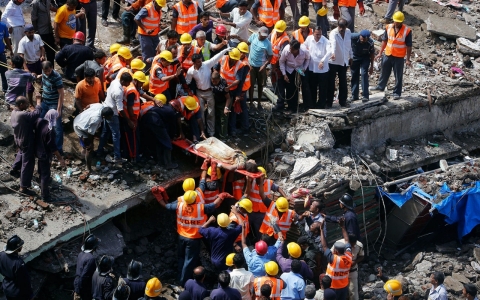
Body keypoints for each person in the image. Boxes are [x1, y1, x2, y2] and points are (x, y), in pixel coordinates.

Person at [157, 190, 231, 285]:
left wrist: (158, 196)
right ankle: (183, 282)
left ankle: (180, 276)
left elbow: (166, 206)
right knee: (189, 261)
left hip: (181, 237)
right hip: (193, 239)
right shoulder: (200, 208)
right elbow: (214, 205)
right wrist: (222, 196)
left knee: (181, 257)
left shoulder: (179, 205)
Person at [186, 48, 230, 137]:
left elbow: (216, 58)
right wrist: (188, 92)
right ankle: (203, 131)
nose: (200, 63)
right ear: (194, 63)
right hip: (199, 93)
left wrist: (226, 49)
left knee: (211, 113)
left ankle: (211, 133)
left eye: (201, 61)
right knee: (201, 113)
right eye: (198, 62)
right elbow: (187, 82)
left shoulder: (206, 65)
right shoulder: (190, 71)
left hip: (209, 93)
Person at [371, 11, 412, 101]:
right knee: (384, 72)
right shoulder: (388, 27)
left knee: (398, 75)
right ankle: (380, 86)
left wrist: (408, 59)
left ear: (401, 21)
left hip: (399, 57)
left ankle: (397, 92)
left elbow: (409, 46)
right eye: (395, 21)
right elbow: (384, 41)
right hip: (388, 54)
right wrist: (380, 53)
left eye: (398, 21)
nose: (396, 23)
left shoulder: (407, 31)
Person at [97, 73, 133, 164]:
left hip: (105, 108)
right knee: (116, 135)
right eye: (128, 83)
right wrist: (128, 120)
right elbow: (120, 109)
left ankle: (99, 151)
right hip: (112, 114)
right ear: (123, 81)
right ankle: (117, 157)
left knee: (105, 132)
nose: (129, 85)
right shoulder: (119, 92)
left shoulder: (115, 81)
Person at [10, 96, 42, 195]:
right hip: (26, 141)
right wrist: (38, 102)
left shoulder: (14, 112)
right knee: (27, 163)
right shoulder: (22, 115)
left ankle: (14, 169)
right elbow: (37, 113)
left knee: (21, 152)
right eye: (26, 103)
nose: (28, 105)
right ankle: (23, 187)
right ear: (21, 105)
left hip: (18, 139)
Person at [214, 48, 248, 137]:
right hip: (220, 88)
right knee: (218, 109)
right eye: (232, 59)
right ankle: (218, 130)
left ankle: (230, 130)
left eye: (235, 60)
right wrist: (217, 81)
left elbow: (238, 80)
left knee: (231, 111)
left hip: (231, 90)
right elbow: (215, 69)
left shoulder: (240, 65)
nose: (233, 61)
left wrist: (229, 88)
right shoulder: (223, 58)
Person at [139, 95, 179, 169]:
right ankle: (168, 164)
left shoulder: (162, 108)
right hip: (155, 121)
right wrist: (172, 137)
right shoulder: (171, 112)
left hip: (145, 120)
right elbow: (173, 126)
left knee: (158, 141)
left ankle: (160, 161)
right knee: (167, 143)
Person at [34, 109, 66, 201]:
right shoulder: (50, 130)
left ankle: (40, 181)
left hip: (37, 150)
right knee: (45, 174)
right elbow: (52, 146)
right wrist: (60, 158)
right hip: (45, 153)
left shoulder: (39, 122)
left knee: (41, 168)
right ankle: (45, 196)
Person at [73, 104, 114, 171]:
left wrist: (85, 114)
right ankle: (89, 168)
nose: (110, 118)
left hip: (81, 119)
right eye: (109, 117)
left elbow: (88, 106)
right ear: (104, 116)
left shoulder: (100, 106)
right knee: (89, 148)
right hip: (79, 126)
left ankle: (84, 152)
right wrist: (91, 143)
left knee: (89, 142)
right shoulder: (96, 120)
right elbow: (90, 133)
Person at [320, 218, 352, 300]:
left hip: (333, 287)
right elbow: (347, 240)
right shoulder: (349, 255)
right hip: (344, 286)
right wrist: (342, 227)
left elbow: (324, 246)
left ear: (336, 251)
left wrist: (321, 230)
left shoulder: (333, 259)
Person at [276, 39, 310, 111]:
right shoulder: (286, 50)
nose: (290, 50)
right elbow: (281, 62)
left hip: (300, 69)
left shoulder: (304, 51)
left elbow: (308, 59)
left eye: (292, 49)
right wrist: (284, 74)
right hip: (289, 69)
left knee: (303, 86)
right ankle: (291, 106)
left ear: (297, 49)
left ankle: (305, 106)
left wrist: (304, 68)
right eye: (290, 48)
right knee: (290, 88)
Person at [39, 61, 65, 155]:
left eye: (49, 71)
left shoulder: (56, 77)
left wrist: (58, 109)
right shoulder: (43, 73)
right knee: (40, 122)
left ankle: (58, 150)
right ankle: (43, 144)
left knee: (57, 127)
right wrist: (39, 76)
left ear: (52, 68)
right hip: (45, 101)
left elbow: (61, 94)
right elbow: (43, 80)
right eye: (45, 71)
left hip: (54, 104)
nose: (47, 73)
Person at [327, 18, 352, 109]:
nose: (341, 29)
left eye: (343, 27)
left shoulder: (348, 32)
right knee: (330, 82)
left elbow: (349, 46)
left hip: (343, 61)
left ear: (346, 27)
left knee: (343, 82)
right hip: (334, 61)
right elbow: (333, 43)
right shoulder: (333, 33)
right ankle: (329, 102)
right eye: (340, 26)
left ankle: (343, 101)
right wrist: (333, 53)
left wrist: (351, 56)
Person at [17, 24, 45, 105]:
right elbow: (21, 56)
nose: (32, 34)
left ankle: (41, 97)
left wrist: (42, 55)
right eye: (30, 33)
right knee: (30, 86)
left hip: (38, 62)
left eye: (33, 32)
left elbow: (42, 48)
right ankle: (30, 103)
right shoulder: (22, 42)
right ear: (25, 32)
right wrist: (26, 69)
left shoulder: (37, 37)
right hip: (30, 64)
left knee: (43, 80)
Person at [331, 233, 364, 300]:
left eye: (354, 244)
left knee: (353, 291)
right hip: (340, 273)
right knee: (340, 291)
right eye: (351, 245)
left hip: (352, 271)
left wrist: (355, 262)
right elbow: (330, 255)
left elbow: (362, 256)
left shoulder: (359, 245)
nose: (353, 246)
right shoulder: (338, 244)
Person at [0, 235, 33, 300]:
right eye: (20, 246)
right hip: (17, 292)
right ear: (18, 248)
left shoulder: (1, 255)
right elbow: (24, 282)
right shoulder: (18, 263)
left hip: (6, 287)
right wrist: (30, 295)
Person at [246, 26, 272, 110]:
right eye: (262, 35)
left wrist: (264, 65)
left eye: (265, 35)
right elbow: (247, 44)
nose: (263, 37)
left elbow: (270, 56)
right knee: (251, 85)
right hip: (251, 65)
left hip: (261, 67)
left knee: (260, 85)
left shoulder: (267, 43)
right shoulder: (253, 36)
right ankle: (250, 103)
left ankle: (259, 103)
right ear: (259, 33)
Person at [269, 21, 290, 111]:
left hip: (279, 64)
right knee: (274, 81)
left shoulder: (285, 40)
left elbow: (282, 56)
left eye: (280, 31)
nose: (278, 32)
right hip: (272, 62)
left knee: (279, 82)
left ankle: (280, 103)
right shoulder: (274, 31)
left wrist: (275, 67)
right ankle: (278, 95)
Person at [350, 29, 374, 102]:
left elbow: (372, 54)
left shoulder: (370, 42)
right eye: (362, 38)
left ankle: (365, 96)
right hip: (354, 57)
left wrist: (372, 66)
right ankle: (354, 96)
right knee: (354, 75)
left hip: (365, 58)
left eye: (364, 39)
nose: (362, 40)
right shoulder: (353, 37)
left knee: (364, 74)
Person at [73, 234, 99, 300]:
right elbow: (84, 276)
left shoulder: (81, 254)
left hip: (77, 282)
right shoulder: (91, 259)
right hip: (84, 285)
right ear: (94, 247)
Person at [31, 0, 56, 65]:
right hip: (41, 31)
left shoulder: (48, 1)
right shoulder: (35, 3)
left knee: (51, 51)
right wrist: (36, 31)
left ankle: (51, 68)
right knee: (41, 52)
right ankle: (42, 69)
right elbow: (33, 18)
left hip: (49, 30)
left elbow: (52, 9)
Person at [211, 71, 231, 139]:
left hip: (223, 102)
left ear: (219, 79)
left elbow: (228, 98)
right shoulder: (211, 81)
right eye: (213, 81)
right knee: (216, 118)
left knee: (223, 120)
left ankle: (223, 136)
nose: (214, 83)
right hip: (216, 101)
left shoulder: (223, 85)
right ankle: (217, 133)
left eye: (216, 82)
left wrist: (226, 108)